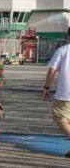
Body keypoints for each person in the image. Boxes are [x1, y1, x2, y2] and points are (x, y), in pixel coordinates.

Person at [43, 27, 70, 158]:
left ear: (68, 36)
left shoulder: (62, 51)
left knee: (60, 118)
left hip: (65, 93)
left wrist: (47, 87)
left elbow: (51, 71)